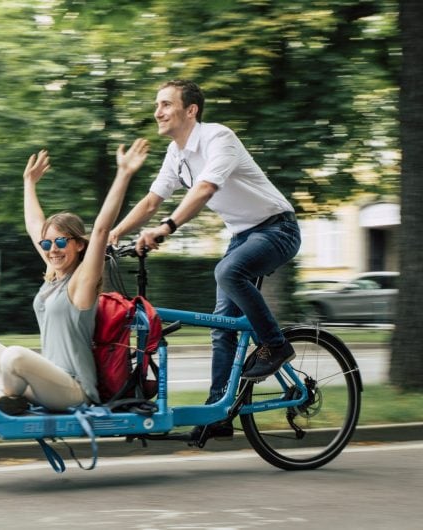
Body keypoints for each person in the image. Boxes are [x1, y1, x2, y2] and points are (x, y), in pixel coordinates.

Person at [109, 80, 301, 442]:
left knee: (228, 271)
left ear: (191, 110)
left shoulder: (218, 138)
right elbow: (152, 201)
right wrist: (113, 234)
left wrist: (166, 228)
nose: (158, 112)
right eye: (157, 105)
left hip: (278, 229)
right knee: (221, 327)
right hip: (243, 236)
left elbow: (205, 189)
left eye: (166, 104)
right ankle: (220, 412)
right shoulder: (176, 153)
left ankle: (275, 344)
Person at [0, 138, 150, 416]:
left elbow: (100, 230)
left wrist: (123, 174)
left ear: (78, 245)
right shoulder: (53, 274)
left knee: (14, 355)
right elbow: (33, 226)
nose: (53, 250)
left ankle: (0, 397)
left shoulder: (81, 283)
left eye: (61, 243)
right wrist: (29, 183)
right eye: (47, 244)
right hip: (46, 382)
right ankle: (2, 397)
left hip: (74, 390)